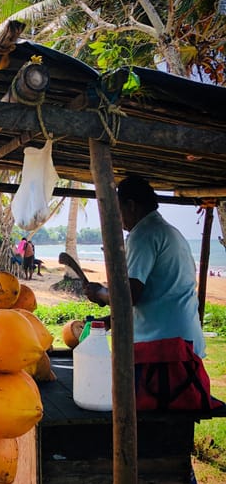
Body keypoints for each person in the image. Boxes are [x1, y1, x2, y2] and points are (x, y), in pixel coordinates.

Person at [84, 174, 222, 412]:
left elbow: (129, 297)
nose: (118, 219)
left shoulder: (143, 234)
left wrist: (100, 293)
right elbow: (160, 294)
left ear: (130, 205)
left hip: (166, 351)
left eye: (118, 210)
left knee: (147, 421)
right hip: (179, 343)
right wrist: (108, 322)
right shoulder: (170, 232)